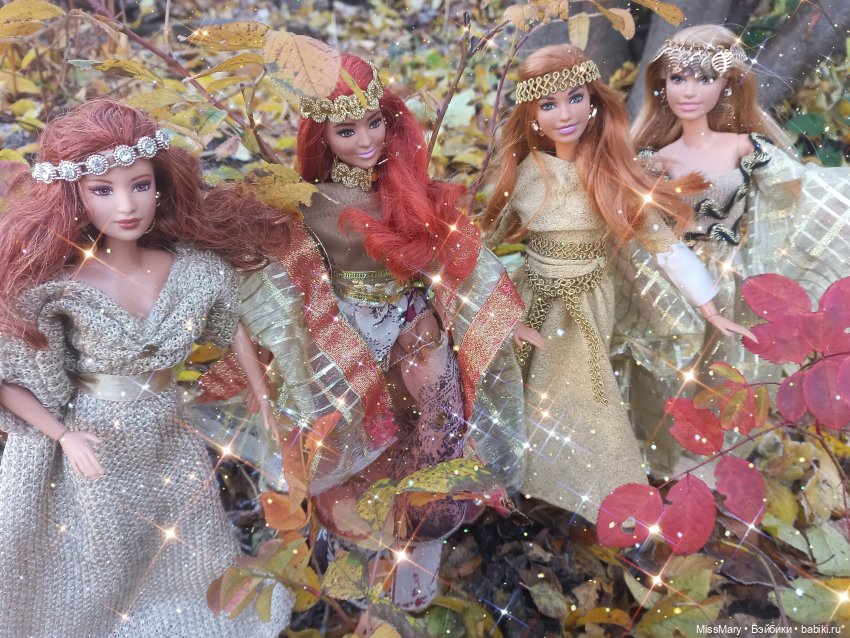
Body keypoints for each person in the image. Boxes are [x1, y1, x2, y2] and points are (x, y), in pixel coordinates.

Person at [199, 52, 541, 611]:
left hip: (415, 333)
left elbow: (456, 255)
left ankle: (417, 564)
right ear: (322, 135)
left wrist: (503, 315)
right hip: (345, 340)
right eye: (346, 131)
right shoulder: (308, 204)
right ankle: (358, 577)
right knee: (350, 448)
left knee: (434, 432)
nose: (365, 140)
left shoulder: (404, 189)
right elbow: (277, 272)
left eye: (374, 123)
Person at [0, 99, 293, 636]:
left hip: (167, 433)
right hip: (95, 441)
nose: (127, 205)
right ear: (74, 197)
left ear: (160, 184)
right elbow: (8, 382)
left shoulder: (190, 269)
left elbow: (231, 318)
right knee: (100, 565)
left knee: (188, 551)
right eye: (102, 190)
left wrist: (263, 394)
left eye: (139, 185)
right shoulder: (59, 288)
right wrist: (63, 436)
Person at [482, 44, 755, 523]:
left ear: (594, 101)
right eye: (548, 105)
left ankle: (605, 500)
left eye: (575, 98)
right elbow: (481, 245)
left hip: (587, 305)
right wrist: (497, 312)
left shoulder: (610, 173)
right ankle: (516, 483)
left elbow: (661, 242)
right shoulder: (525, 174)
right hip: (529, 297)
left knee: (584, 396)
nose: (564, 114)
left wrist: (710, 307)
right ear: (531, 114)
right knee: (517, 390)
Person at [617, 24, 850, 476]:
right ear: (662, 83)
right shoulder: (652, 159)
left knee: (727, 371)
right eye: (678, 78)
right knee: (670, 370)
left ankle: (715, 465)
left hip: (732, 278)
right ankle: (665, 460)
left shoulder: (746, 148)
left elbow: (805, 194)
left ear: (727, 84)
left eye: (705, 78)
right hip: (672, 278)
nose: (689, 91)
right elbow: (636, 223)